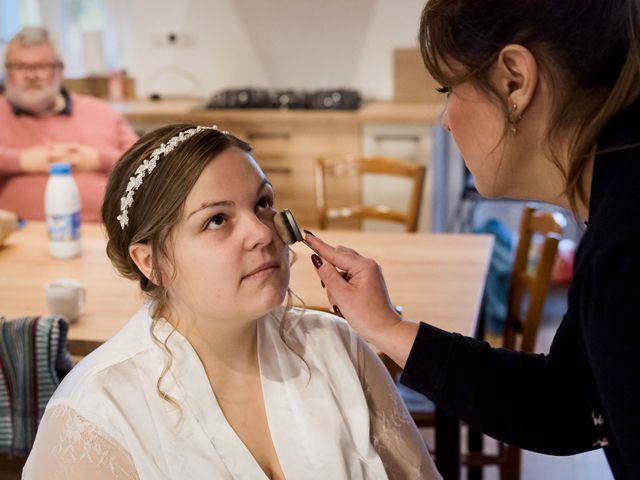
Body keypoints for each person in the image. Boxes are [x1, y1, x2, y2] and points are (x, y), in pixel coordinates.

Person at [303, 1, 640, 479]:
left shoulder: (624, 246)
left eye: (449, 90)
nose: (445, 119)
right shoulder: (616, 203)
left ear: (514, 81)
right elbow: (566, 403)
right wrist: (387, 327)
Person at [22, 124, 440, 479]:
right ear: (151, 262)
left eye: (262, 203)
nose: (262, 233)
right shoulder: (97, 412)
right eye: (217, 220)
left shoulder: (340, 347)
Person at [0, 26, 137, 222]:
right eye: (19, 67)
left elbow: (147, 165)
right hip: (20, 238)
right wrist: (22, 161)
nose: (30, 76)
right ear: (7, 71)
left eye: (41, 67)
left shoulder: (101, 112)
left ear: (60, 69)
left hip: (109, 233)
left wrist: (96, 159)